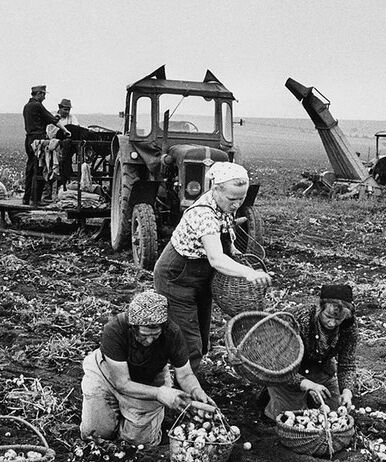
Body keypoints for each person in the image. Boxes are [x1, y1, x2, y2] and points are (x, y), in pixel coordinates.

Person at [153, 162, 272, 371]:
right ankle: (186, 394)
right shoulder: (203, 214)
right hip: (176, 278)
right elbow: (216, 259)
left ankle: (186, 372)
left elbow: (226, 231)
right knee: (189, 343)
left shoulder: (225, 204)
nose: (236, 205)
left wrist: (233, 249)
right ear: (215, 189)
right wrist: (248, 273)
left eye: (241, 198)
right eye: (232, 199)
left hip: (202, 277)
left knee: (202, 334)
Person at [80, 291, 216, 446]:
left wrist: (196, 391)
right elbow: (122, 383)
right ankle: (113, 411)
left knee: (139, 442)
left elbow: (185, 375)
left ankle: (135, 418)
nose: (150, 340)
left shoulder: (172, 333)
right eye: (144, 335)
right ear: (133, 327)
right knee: (97, 434)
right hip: (107, 375)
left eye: (155, 334)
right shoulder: (116, 329)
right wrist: (160, 393)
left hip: (149, 379)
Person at [263, 284, 358, 420]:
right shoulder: (298, 318)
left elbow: (347, 363)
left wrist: (347, 391)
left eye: (338, 319)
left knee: (334, 414)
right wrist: (306, 384)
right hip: (288, 369)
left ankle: (309, 396)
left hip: (320, 368)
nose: (332, 323)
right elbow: (277, 363)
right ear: (320, 308)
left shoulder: (349, 326)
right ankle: (270, 395)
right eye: (328, 316)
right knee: (290, 417)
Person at [22, 85, 69, 206]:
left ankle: (26, 198)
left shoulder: (27, 107)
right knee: (41, 168)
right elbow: (54, 121)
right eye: (43, 94)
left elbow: (43, 119)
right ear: (39, 94)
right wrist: (65, 130)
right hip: (38, 139)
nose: (44, 96)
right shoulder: (38, 105)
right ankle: (36, 199)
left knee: (30, 168)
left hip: (29, 139)